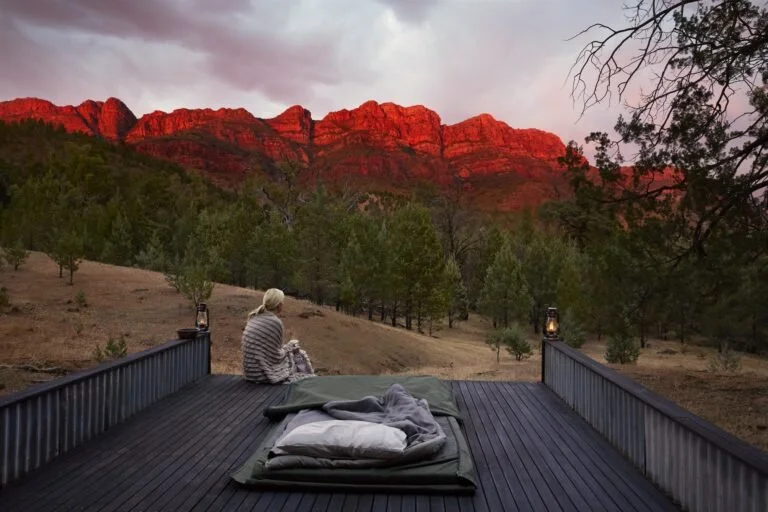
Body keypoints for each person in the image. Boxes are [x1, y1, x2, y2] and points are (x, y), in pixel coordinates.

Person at [241, 288, 315, 384]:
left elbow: (269, 351)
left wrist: (288, 347)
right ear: (279, 305)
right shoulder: (274, 322)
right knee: (299, 355)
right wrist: (290, 346)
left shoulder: (255, 317)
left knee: (293, 351)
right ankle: (311, 380)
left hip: (250, 372)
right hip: (262, 375)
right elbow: (277, 356)